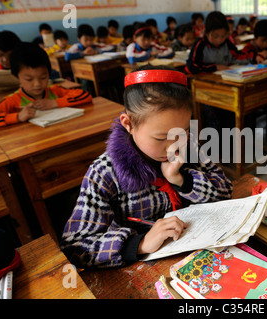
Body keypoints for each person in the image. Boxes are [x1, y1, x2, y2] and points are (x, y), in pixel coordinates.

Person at [60, 65, 233, 268]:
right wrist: (140, 243)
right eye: (161, 138)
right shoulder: (105, 172)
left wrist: (182, 181)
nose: (173, 146)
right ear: (128, 124)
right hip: (143, 268)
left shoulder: (189, 145)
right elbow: (74, 246)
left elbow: (225, 191)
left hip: (198, 253)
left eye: (183, 131)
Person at [0, 42, 92, 127]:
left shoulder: (55, 91)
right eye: (29, 79)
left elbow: (85, 95)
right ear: (17, 77)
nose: (37, 84)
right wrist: (18, 117)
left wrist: (55, 103)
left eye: (43, 77)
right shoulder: (13, 101)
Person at [186, 11, 252, 74]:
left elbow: (237, 56)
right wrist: (215, 67)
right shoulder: (200, 44)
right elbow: (192, 67)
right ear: (206, 32)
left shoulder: (227, 43)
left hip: (225, 78)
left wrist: (254, 57)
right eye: (215, 36)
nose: (219, 40)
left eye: (223, 36)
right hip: (204, 81)